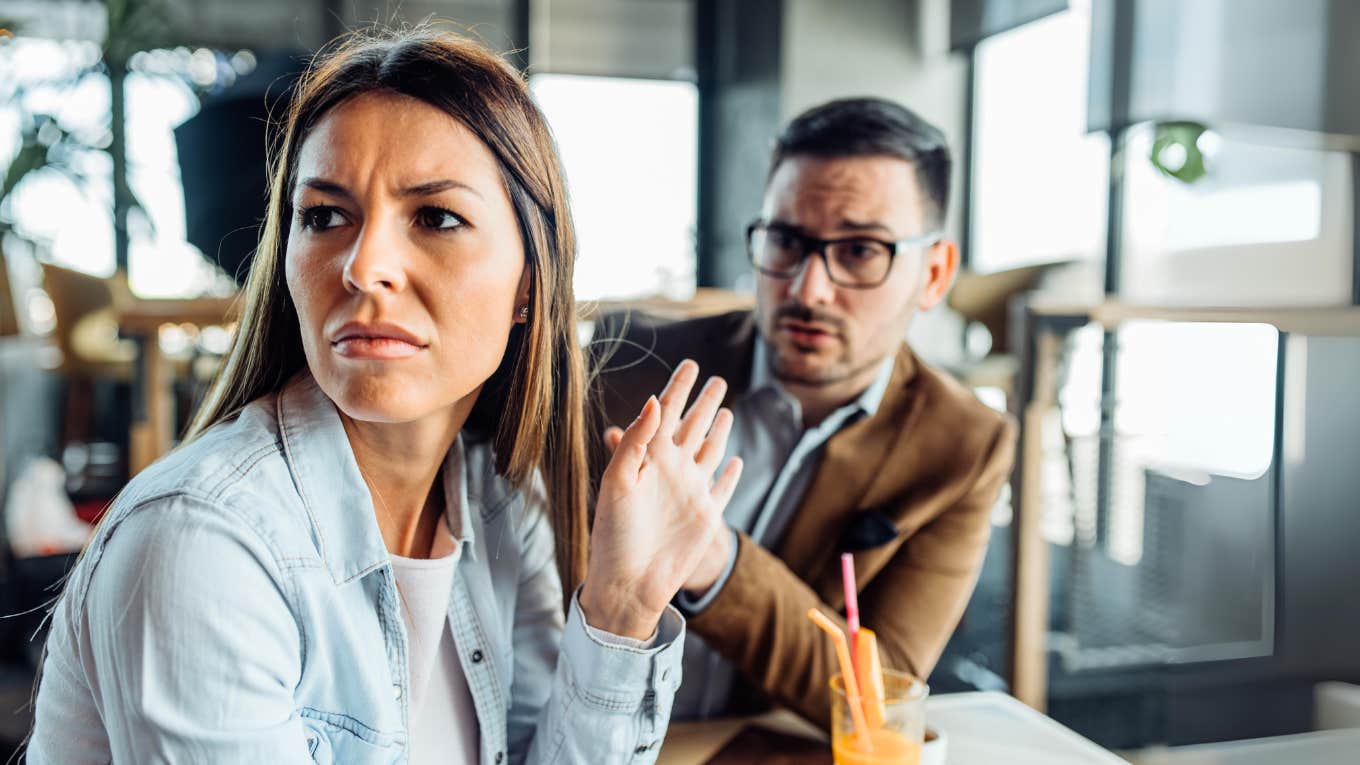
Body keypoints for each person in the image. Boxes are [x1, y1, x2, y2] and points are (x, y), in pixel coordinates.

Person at [29, 28, 741, 764]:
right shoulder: (202, 545)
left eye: (435, 217)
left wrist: (622, 605)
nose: (364, 267)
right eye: (325, 216)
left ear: (531, 282)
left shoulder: (500, 508)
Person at [594, 97, 1017, 724]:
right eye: (786, 240)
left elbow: (880, 690)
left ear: (933, 273)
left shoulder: (963, 445)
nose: (806, 288)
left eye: (860, 251)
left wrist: (715, 561)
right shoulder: (630, 364)